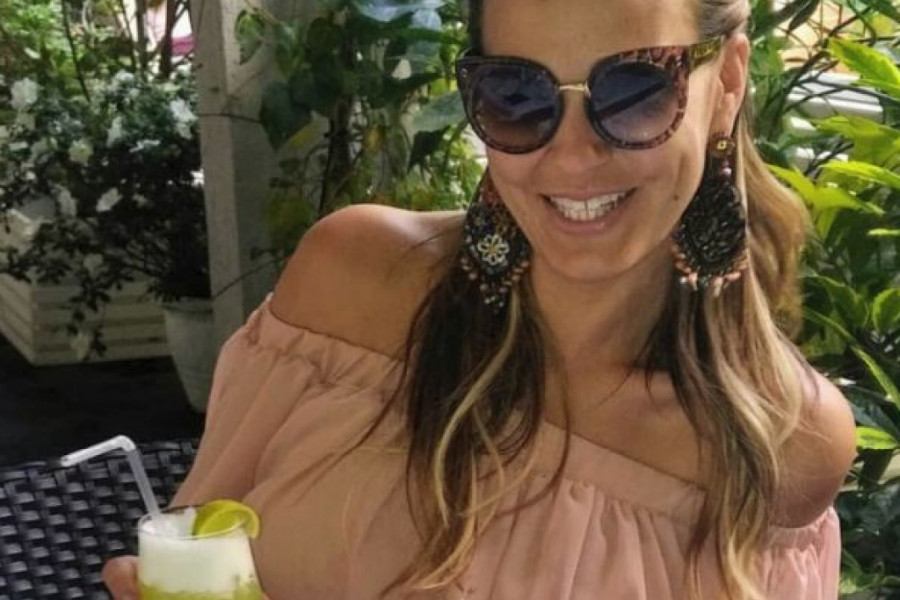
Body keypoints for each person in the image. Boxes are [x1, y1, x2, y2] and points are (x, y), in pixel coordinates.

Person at [104, 0, 858, 597]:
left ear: (726, 83)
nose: (572, 155)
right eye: (517, 94)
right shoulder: (348, 283)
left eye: (635, 89)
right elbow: (197, 539)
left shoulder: (782, 438)